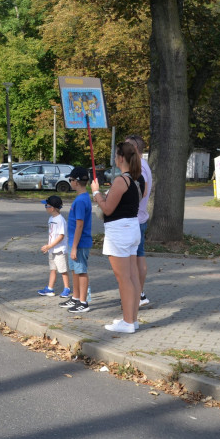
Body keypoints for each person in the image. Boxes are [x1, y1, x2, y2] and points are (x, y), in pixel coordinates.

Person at [91, 141, 145, 334]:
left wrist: (96, 193)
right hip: (132, 228)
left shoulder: (121, 181)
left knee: (123, 278)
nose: (114, 158)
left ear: (121, 157)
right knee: (131, 276)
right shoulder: (139, 179)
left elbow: (107, 208)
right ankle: (133, 319)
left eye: (115, 155)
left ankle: (127, 321)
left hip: (119, 231)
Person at [59, 167, 94, 313]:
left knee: (81, 271)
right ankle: (76, 297)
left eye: (71, 180)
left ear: (77, 182)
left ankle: (83, 302)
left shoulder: (81, 200)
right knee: (74, 270)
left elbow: (80, 225)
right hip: (75, 242)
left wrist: (74, 247)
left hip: (79, 243)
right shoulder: (82, 198)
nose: (70, 182)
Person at [127, 134, 153, 307]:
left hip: (134, 219)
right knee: (139, 257)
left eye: (126, 146)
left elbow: (138, 192)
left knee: (132, 262)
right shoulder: (144, 166)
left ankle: (136, 295)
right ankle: (140, 294)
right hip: (139, 218)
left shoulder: (139, 168)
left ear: (135, 149)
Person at [37, 196, 71, 297]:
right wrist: (48, 246)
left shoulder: (60, 220)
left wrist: (49, 245)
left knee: (63, 270)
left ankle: (67, 288)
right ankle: (50, 288)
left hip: (59, 250)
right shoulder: (51, 218)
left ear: (52, 208)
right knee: (53, 269)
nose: (45, 207)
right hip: (52, 249)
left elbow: (61, 236)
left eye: (46, 205)